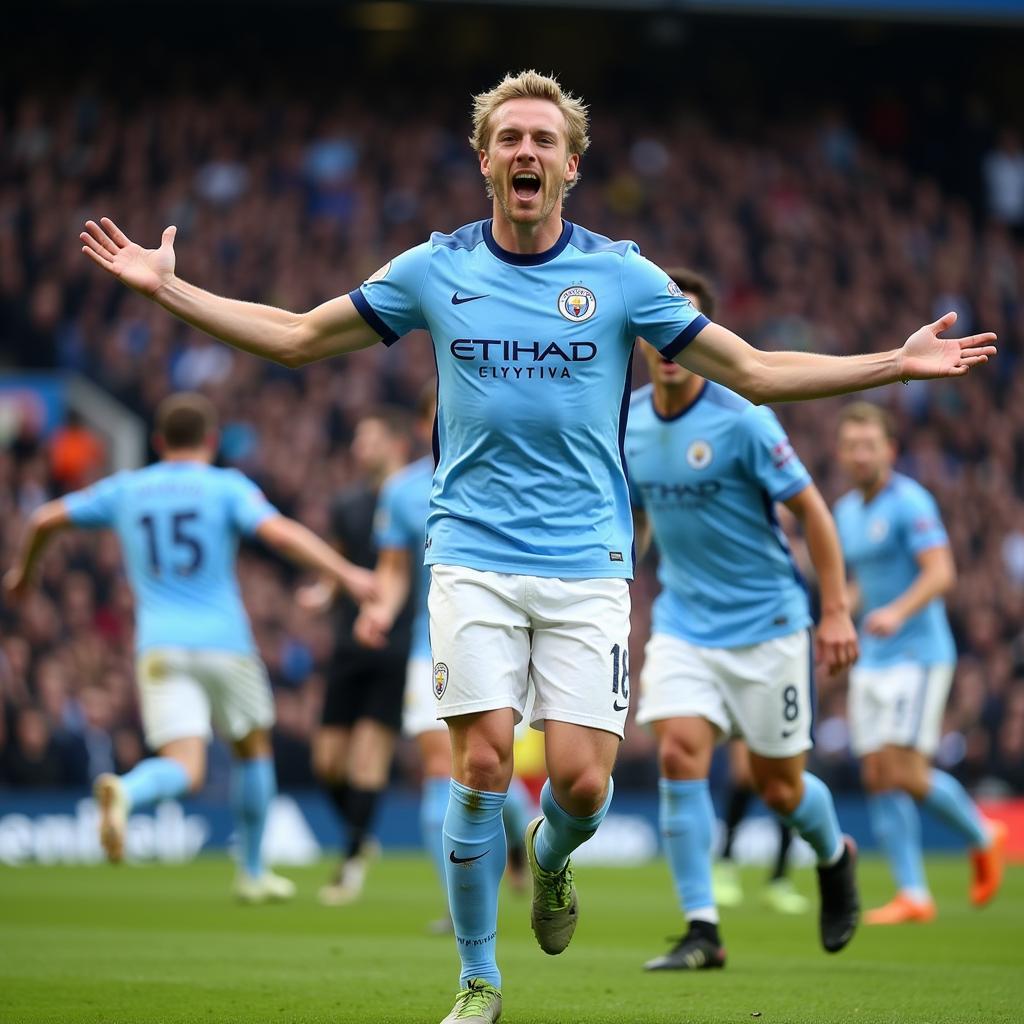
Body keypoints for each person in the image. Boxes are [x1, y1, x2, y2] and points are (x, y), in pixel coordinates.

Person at [79, 69, 995, 1024]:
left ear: (571, 163)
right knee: (479, 767)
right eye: (509, 138)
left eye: (543, 140)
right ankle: (480, 981)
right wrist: (171, 290)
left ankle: (552, 857)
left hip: (587, 566)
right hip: (469, 554)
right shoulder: (436, 267)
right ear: (484, 160)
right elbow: (299, 337)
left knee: (581, 782)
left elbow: (757, 370)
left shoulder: (622, 277)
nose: (526, 151)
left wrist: (894, 363)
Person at [3, 392, 375, 903]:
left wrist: (25, 574)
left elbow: (45, 518)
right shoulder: (225, 487)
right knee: (252, 747)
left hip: (159, 645)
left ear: (158, 442)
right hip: (226, 642)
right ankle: (251, 870)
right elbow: (281, 535)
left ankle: (127, 792)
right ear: (212, 440)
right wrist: (347, 575)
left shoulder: (128, 488)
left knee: (185, 764)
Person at [627, 267, 859, 971]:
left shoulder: (744, 418)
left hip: (768, 625)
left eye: (684, 327)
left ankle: (834, 852)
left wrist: (837, 612)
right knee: (678, 752)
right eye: (659, 329)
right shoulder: (628, 421)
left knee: (779, 786)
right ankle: (703, 928)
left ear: (705, 337)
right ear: (642, 339)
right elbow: (636, 517)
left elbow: (812, 511)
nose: (670, 343)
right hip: (685, 624)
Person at [352, 387, 533, 932]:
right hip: (429, 647)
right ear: (428, 422)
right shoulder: (403, 492)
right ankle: (460, 906)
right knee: (441, 769)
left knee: (489, 769)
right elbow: (393, 568)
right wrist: (379, 608)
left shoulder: (510, 474)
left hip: (501, 641)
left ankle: (521, 844)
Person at [834, 402, 1007, 924]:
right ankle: (913, 893)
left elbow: (941, 573)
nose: (860, 455)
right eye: (851, 446)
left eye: (870, 445)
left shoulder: (911, 502)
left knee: (904, 770)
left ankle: (983, 832)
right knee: (877, 774)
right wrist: (839, 617)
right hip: (874, 657)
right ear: (841, 453)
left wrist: (896, 612)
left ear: (890, 450)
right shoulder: (844, 511)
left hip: (917, 653)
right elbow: (863, 581)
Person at [305, 406, 415, 906]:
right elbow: (338, 558)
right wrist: (324, 593)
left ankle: (349, 863)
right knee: (327, 762)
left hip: (397, 640)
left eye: (366, 437)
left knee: (369, 759)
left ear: (394, 443)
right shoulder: (347, 504)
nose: (357, 448)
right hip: (349, 641)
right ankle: (359, 833)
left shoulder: (419, 495)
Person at [713, 739, 809, 915]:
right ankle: (724, 869)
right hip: (748, 721)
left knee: (787, 787)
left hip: (785, 721)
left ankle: (779, 882)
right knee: (744, 777)